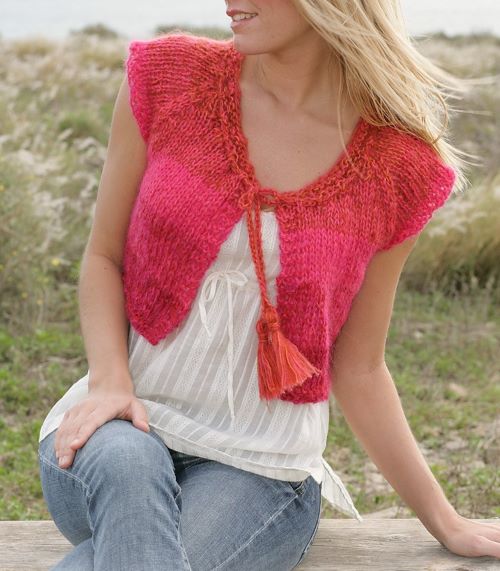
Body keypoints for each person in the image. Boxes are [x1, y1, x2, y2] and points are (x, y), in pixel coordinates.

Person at [37, 0, 500, 569]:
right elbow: (103, 256)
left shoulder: (399, 167)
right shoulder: (167, 77)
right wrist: (110, 382)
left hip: (259, 472)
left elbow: (359, 366)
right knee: (130, 468)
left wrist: (444, 519)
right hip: (119, 428)